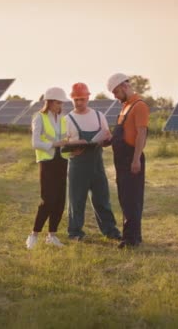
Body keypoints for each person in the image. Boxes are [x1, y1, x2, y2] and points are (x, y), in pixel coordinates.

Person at [65, 82, 122, 241]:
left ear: (88, 98)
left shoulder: (99, 116)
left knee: (102, 199)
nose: (79, 103)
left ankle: (110, 231)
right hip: (77, 165)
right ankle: (75, 232)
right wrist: (72, 149)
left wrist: (106, 140)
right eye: (76, 100)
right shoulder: (67, 120)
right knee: (76, 200)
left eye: (82, 99)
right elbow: (62, 143)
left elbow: (107, 136)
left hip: (97, 164)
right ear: (72, 99)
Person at [25, 87, 72, 250]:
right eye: (57, 102)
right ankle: (34, 234)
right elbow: (35, 142)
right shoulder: (39, 117)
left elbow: (67, 138)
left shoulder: (64, 119)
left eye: (61, 103)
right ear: (49, 102)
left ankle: (52, 235)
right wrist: (54, 144)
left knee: (60, 200)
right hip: (47, 161)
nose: (60, 106)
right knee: (48, 200)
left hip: (62, 160)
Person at [107, 73, 150, 248]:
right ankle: (131, 236)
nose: (115, 97)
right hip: (121, 161)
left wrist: (136, 159)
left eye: (116, 92)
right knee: (125, 198)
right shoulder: (125, 107)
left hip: (132, 159)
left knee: (132, 199)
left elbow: (141, 134)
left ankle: (131, 240)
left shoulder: (139, 106)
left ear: (124, 87)